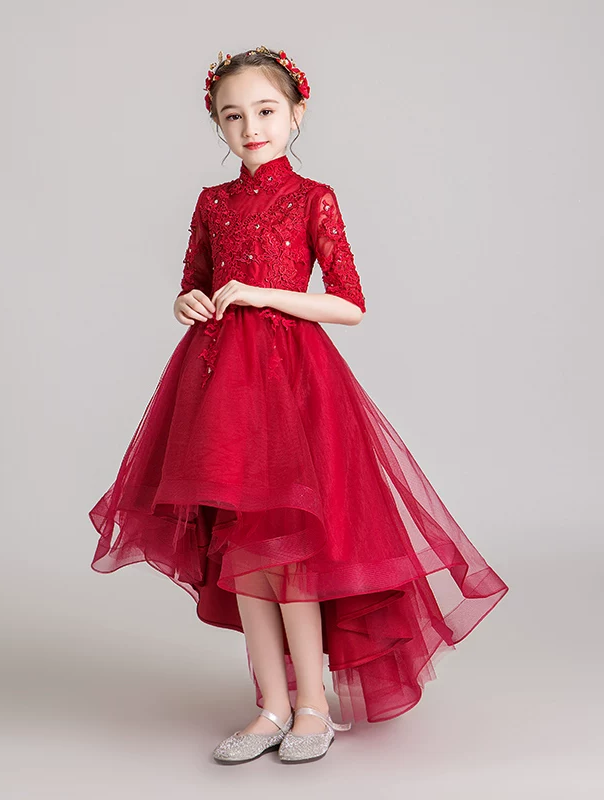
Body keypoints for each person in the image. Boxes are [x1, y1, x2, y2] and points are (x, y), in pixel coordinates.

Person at [88, 45, 509, 765]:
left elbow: (350, 305)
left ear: (296, 115)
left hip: (292, 385)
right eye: (232, 116)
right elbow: (195, 282)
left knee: (289, 552)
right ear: (216, 124)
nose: (250, 127)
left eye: (265, 111)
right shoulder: (212, 203)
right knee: (242, 551)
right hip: (219, 386)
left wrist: (262, 294)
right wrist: (188, 301)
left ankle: (311, 703)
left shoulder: (314, 197)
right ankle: (271, 707)